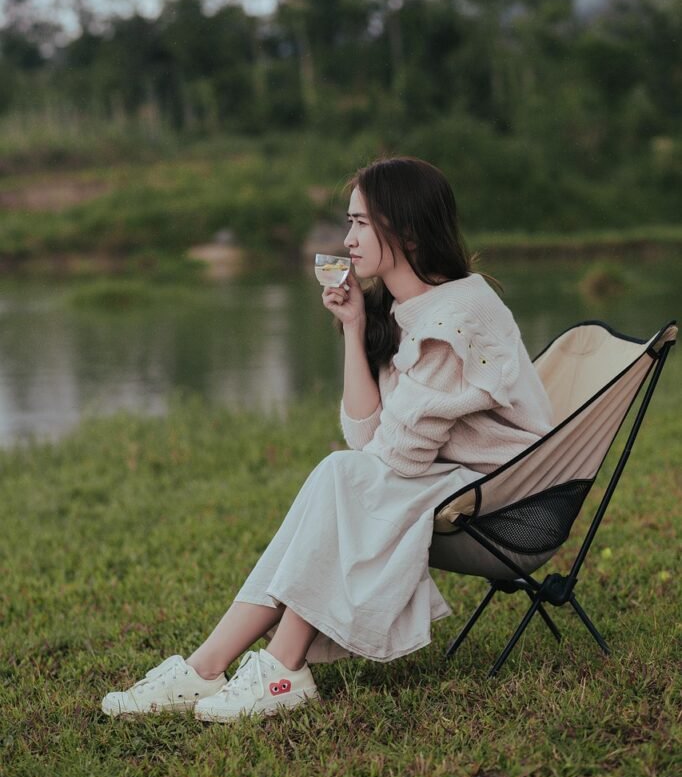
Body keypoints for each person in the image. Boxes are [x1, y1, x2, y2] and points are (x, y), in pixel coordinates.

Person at [102, 156, 553, 723]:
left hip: (511, 497)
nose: (347, 238)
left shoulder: (455, 319)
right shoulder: (407, 309)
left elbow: (394, 456)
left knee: (343, 476)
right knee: (339, 473)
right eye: (350, 221)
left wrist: (365, 456)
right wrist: (355, 328)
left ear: (407, 230)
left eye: (362, 223)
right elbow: (366, 435)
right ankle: (215, 667)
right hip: (452, 474)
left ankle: (267, 669)